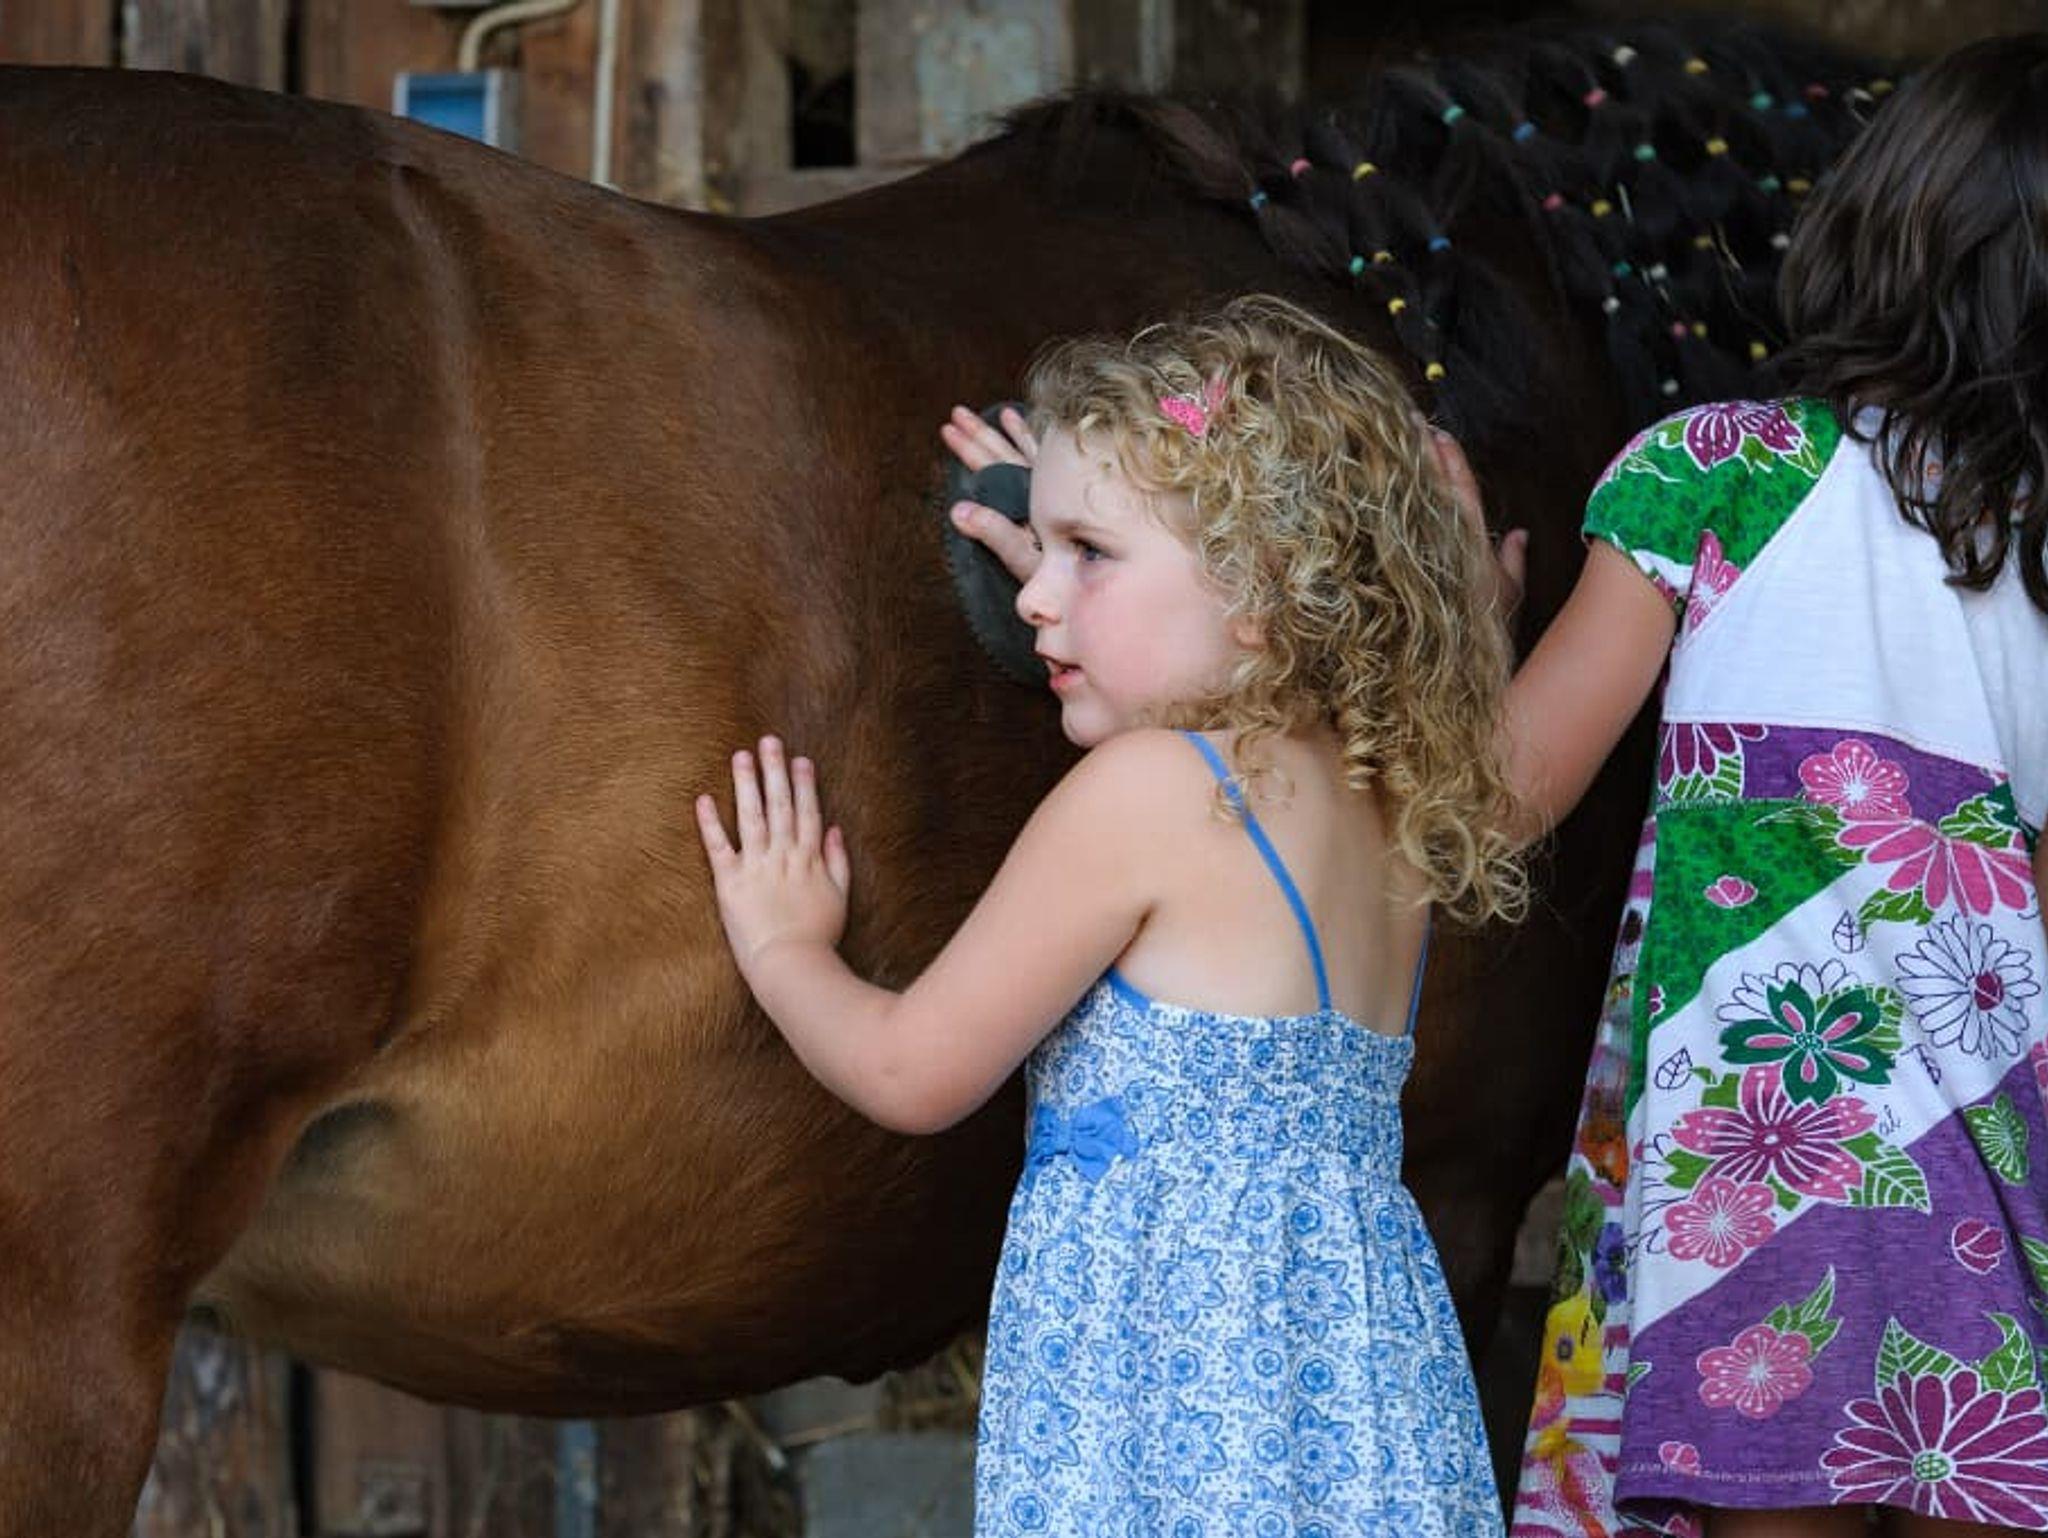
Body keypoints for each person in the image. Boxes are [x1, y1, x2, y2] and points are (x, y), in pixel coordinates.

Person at [695, 294, 1526, 1535]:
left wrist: (783, 943)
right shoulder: (1394, 799)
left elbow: (911, 1069)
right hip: (1362, 1415)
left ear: (1260, 586)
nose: (1034, 597)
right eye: (1040, 551)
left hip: (1168, 1431)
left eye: (1089, 551)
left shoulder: (1149, 792)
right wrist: (1104, 575)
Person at [1470, 34, 2048, 1538]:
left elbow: (1496, 797)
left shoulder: (1713, 474)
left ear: (1879, 223)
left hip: (1755, 1160)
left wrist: (1464, 619)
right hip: (2003, 1149)